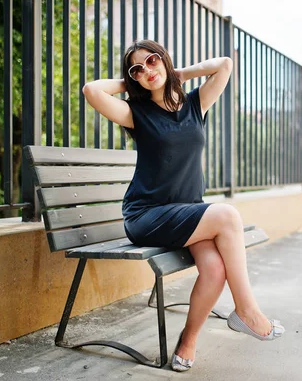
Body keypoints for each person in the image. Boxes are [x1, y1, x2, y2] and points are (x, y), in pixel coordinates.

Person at [82, 39, 284, 372]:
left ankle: (187, 342)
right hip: (147, 216)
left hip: (187, 213)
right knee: (227, 215)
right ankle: (247, 311)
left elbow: (224, 65)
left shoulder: (195, 104)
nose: (147, 70)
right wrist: (131, 83)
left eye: (151, 61)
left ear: (164, 59)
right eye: (137, 68)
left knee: (216, 269)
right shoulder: (137, 113)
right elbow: (91, 90)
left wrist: (176, 73)